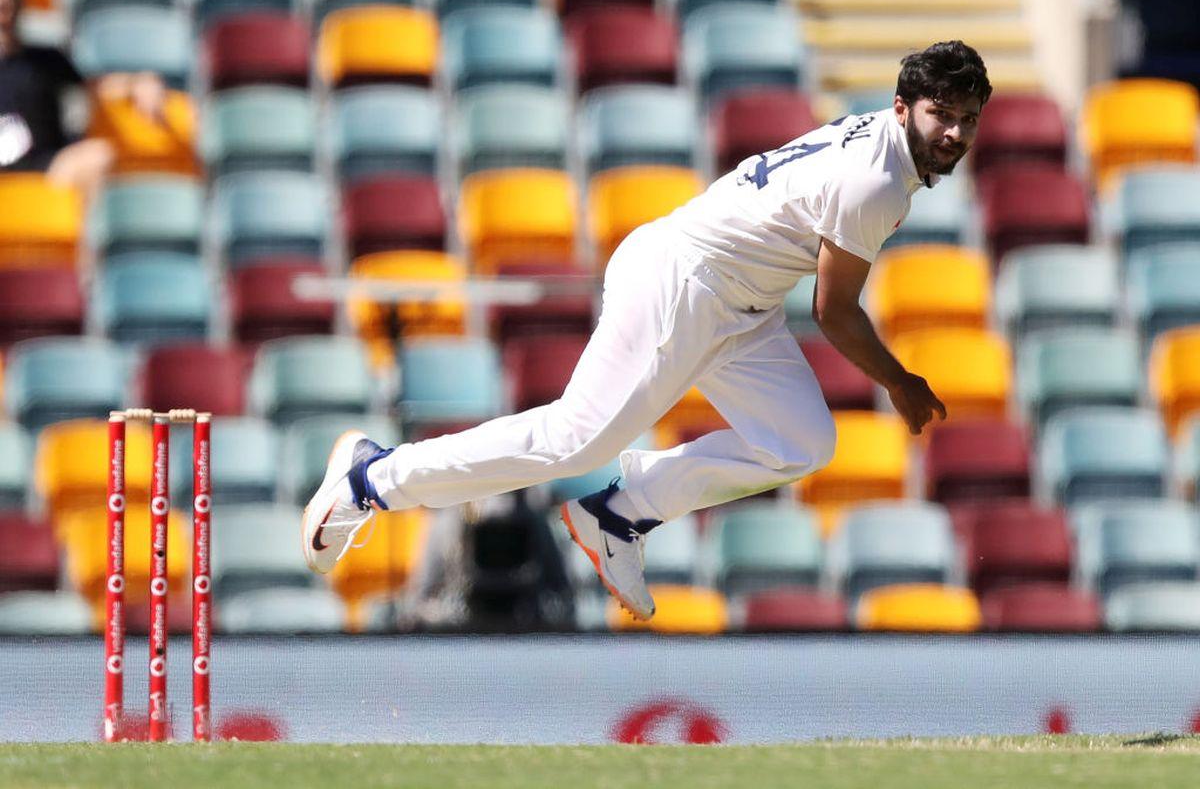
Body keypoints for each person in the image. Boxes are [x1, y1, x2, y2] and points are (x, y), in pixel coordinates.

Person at [302, 41, 992, 621]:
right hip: (685, 283)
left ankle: (621, 513)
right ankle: (372, 475)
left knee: (802, 441)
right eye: (942, 116)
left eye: (967, 119)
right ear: (902, 107)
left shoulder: (880, 140)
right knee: (573, 440)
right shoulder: (876, 181)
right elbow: (834, 311)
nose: (955, 134)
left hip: (739, 306)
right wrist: (899, 381)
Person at [0, 0, 165, 202]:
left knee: (98, 156)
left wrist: (138, 83)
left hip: (48, 167)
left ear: (19, 5)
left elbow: (96, 87)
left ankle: (85, 232)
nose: (4, 7)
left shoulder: (46, 58)